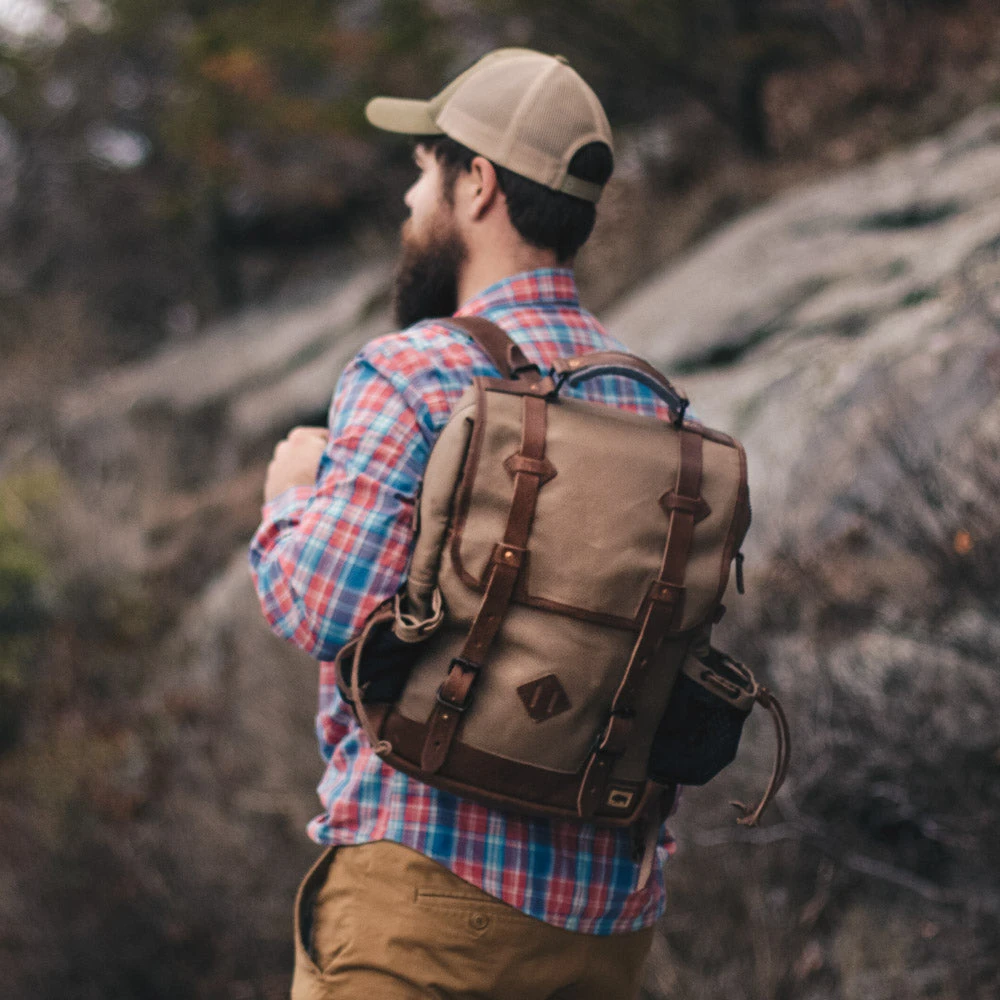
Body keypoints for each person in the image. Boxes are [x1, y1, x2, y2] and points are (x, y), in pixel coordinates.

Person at [250, 48, 681, 1000]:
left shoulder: (414, 370)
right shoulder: (648, 400)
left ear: (477, 184)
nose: (411, 199)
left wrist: (291, 494)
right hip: (605, 920)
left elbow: (319, 607)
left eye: (423, 170)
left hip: (426, 907)